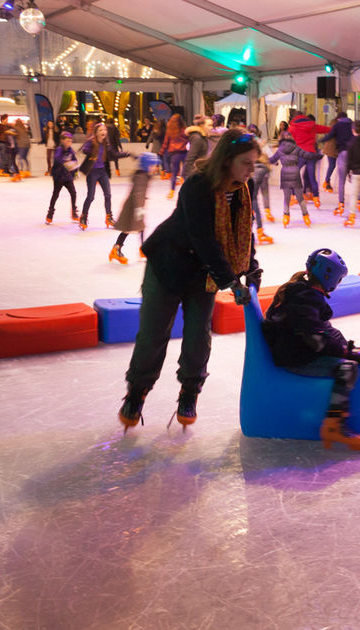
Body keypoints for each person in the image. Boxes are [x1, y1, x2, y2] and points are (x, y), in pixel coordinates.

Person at [118, 128, 263, 431]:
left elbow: (243, 232)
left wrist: (251, 269)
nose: (252, 170)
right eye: (247, 163)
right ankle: (137, 392)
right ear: (227, 160)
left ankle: (189, 392)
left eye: (254, 163)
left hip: (204, 274)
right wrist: (231, 281)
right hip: (169, 264)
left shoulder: (241, 189)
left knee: (199, 335)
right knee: (154, 334)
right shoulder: (197, 185)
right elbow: (203, 238)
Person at [262, 248, 360, 450]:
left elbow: (323, 331)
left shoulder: (299, 291)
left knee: (345, 360)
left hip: (291, 351)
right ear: (329, 277)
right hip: (295, 358)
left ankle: (333, 425)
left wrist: (346, 348)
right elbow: (318, 342)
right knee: (347, 369)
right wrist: (347, 354)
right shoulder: (306, 299)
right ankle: (333, 426)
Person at [109, 152, 160, 264]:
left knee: (138, 227)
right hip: (133, 207)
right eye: (153, 165)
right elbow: (138, 193)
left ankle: (140, 249)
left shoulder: (144, 176)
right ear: (147, 165)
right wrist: (139, 208)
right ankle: (118, 249)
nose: (155, 168)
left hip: (135, 206)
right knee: (129, 229)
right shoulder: (141, 177)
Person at [77, 122, 127, 230]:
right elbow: (85, 150)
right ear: (96, 133)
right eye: (100, 130)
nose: (103, 132)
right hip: (92, 172)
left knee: (108, 195)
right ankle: (83, 217)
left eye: (104, 130)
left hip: (102, 171)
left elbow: (114, 154)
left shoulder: (106, 143)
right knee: (91, 196)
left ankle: (109, 217)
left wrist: (126, 154)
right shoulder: (91, 142)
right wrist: (90, 146)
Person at [268, 130, 320, 228]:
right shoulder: (296, 148)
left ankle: (286, 216)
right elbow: (307, 155)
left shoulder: (280, 150)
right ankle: (306, 216)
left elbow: (272, 160)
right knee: (300, 197)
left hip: (285, 172)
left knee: (287, 197)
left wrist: (261, 159)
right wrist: (318, 156)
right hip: (295, 171)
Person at [287, 111, 330, 207]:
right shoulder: (312, 125)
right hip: (311, 153)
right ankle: (316, 198)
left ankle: (293, 197)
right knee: (312, 177)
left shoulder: (292, 127)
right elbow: (325, 129)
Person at [318, 111, 353, 215]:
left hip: (342, 152)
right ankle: (359, 201)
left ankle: (341, 203)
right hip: (352, 152)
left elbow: (330, 136)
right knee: (355, 176)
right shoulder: (352, 124)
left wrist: (320, 140)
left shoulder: (337, 125)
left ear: (339, 118)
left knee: (341, 180)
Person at [247, 125, 274, 245]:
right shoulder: (262, 143)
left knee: (253, 199)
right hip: (262, 169)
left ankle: (259, 228)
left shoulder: (247, 143)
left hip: (256, 170)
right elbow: (270, 155)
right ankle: (266, 212)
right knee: (264, 192)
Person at [47, 131, 79, 223]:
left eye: (71, 141)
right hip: (59, 177)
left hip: (68, 177)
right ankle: (50, 213)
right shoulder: (59, 149)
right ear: (62, 141)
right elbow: (58, 159)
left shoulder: (71, 150)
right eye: (68, 141)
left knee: (73, 193)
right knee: (55, 194)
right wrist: (67, 162)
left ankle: (74, 212)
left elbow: (75, 161)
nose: (70, 142)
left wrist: (75, 172)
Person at [181, 115, 211, 199]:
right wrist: (190, 177)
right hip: (194, 175)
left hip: (200, 173)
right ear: (201, 125)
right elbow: (190, 158)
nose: (211, 128)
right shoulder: (197, 138)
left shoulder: (203, 137)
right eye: (209, 125)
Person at [163, 113, 188, 194]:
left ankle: (172, 191)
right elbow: (189, 140)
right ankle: (185, 189)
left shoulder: (169, 131)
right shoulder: (184, 130)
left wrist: (161, 152)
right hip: (184, 153)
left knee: (174, 173)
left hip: (174, 154)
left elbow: (166, 142)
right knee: (185, 172)